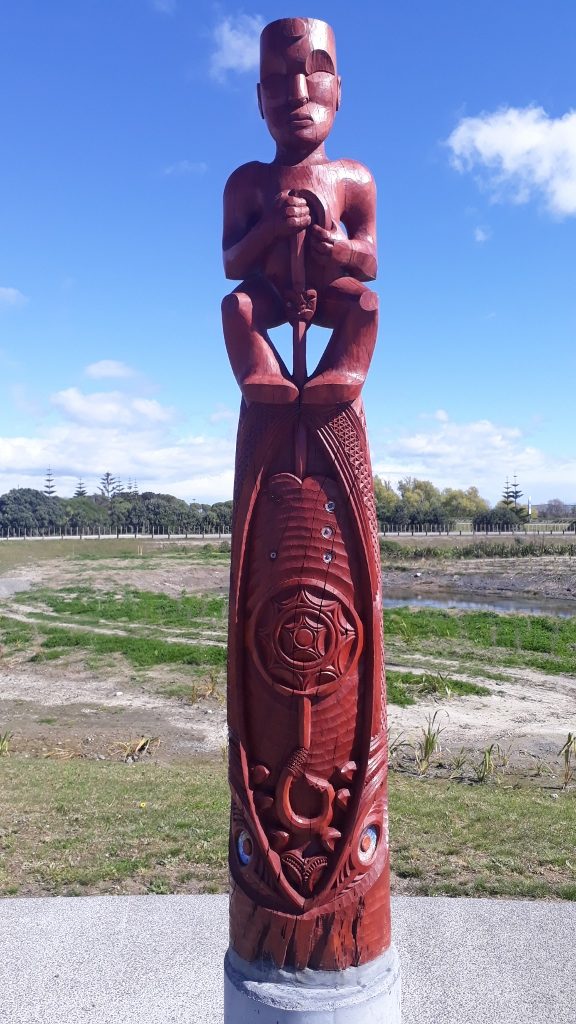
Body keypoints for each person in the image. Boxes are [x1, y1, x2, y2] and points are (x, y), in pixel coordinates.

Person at [221, 16, 378, 405]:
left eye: (317, 72)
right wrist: (269, 230)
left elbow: (371, 263)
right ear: (260, 100)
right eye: (276, 80)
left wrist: (342, 250)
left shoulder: (353, 178)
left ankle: (340, 374)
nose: (297, 93)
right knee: (237, 307)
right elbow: (232, 265)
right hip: (272, 292)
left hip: (328, 294)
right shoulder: (247, 182)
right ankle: (263, 374)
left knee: (365, 305)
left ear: (339, 90)